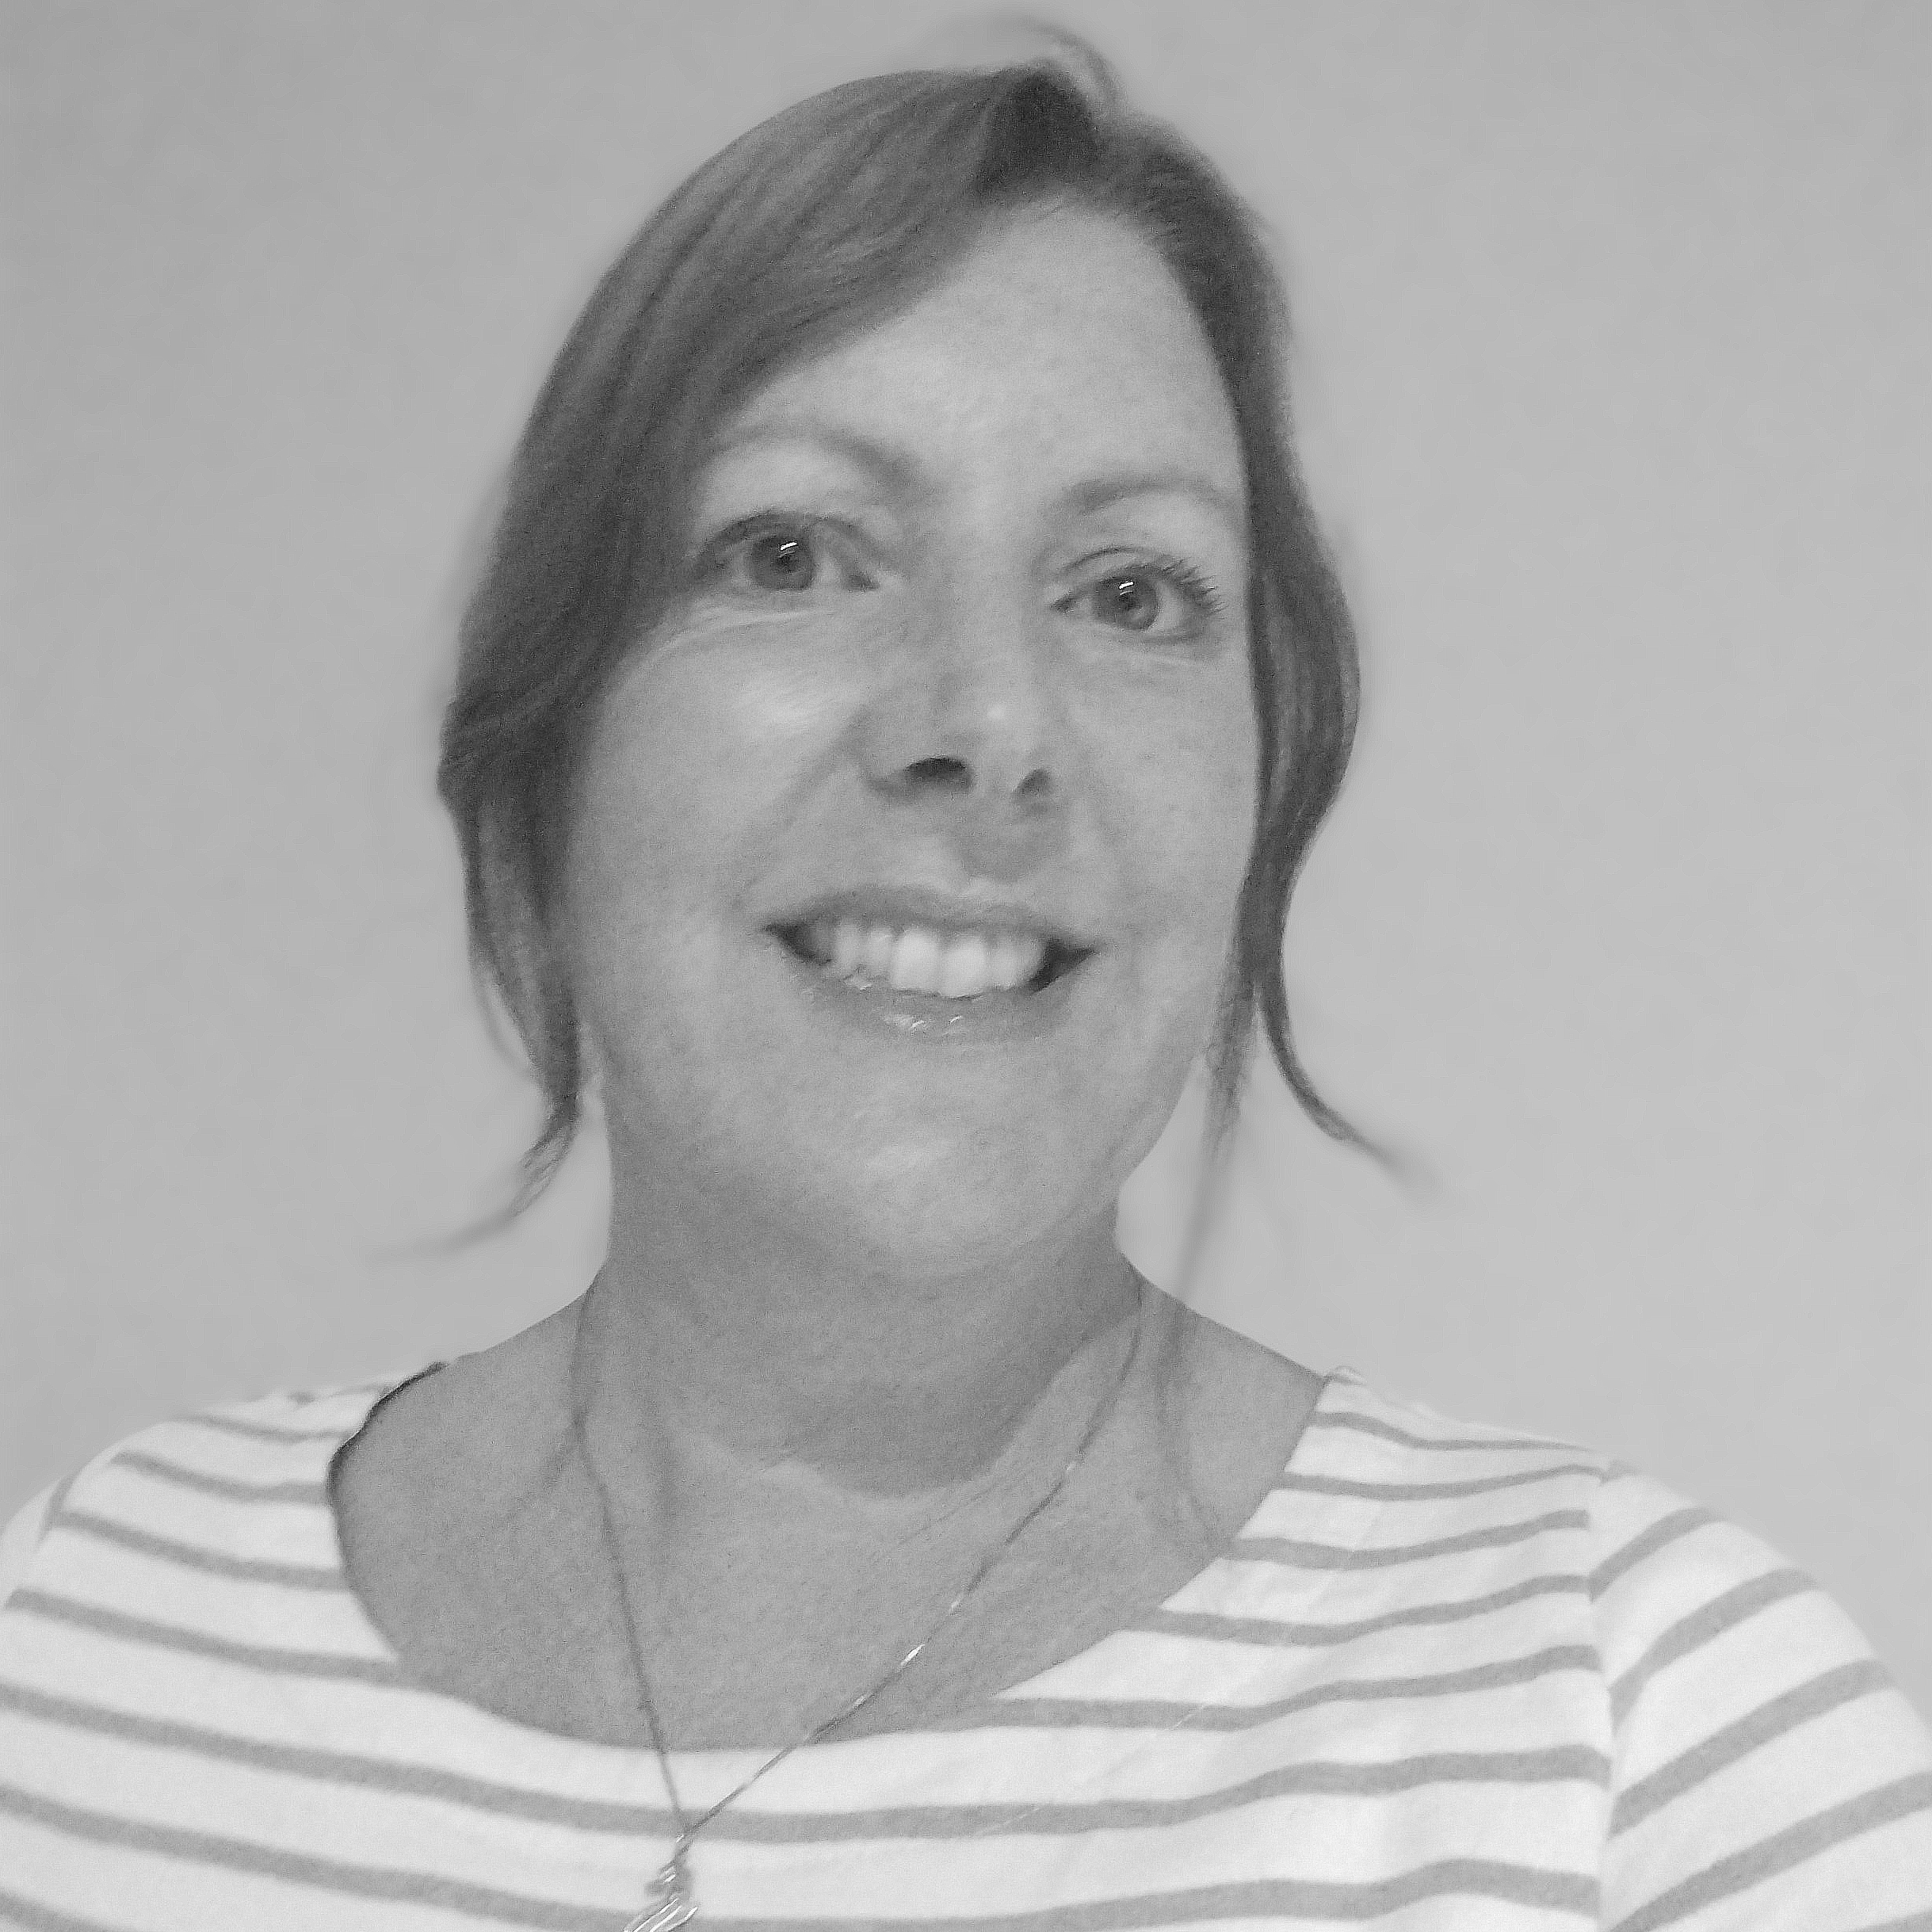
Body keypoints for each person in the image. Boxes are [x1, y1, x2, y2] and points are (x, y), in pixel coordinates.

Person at [2, 32, 1927, 1932]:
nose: (990, 725)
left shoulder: (1643, 1734)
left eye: (1130, 592)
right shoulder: (88, 1620)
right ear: (545, 745)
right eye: (791, 550)